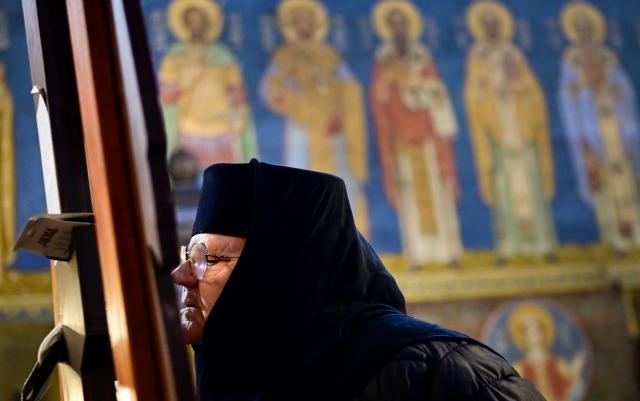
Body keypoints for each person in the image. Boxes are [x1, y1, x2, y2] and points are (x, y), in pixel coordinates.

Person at [172, 159, 545, 401]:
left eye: (209, 258)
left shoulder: (437, 371)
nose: (182, 275)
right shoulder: (238, 383)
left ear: (278, 269)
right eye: (189, 256)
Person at [370, 0, 462, 267]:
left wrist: (419, 85)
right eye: (393, 24)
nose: (398, 29)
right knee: (410, 196)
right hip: (402, 141)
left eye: (402, 24)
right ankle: (418, 256)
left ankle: (450, 253)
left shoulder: (422, 57)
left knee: (438, 191)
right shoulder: (383, 61)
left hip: (430, 138)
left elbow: (439, 92)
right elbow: (379, 98)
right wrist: (389, 81)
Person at [464, 0, 556, 262]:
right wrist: (490, 88)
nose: (491, 27)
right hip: (498, 134)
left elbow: (534, 93)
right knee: (504, 188)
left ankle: (543, 243)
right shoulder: (478, 57)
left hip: (521, 129)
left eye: (494, 23)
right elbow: (474, 94)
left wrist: (518, 87)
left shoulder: (514, 55)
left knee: (531, 184)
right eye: (486, 24)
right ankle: (508, 244)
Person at [558, 2, 640, 254]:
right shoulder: (571, 60)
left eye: (587, 27)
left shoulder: (608, 58)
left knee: (627, 179)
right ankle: (614, 239)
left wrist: (610, 88)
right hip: (592, 133)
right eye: (579, 28)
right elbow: (567, 97)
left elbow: (625, 91)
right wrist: (584, 85)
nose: (584, 32)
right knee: (603, 185)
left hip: (617, 131)